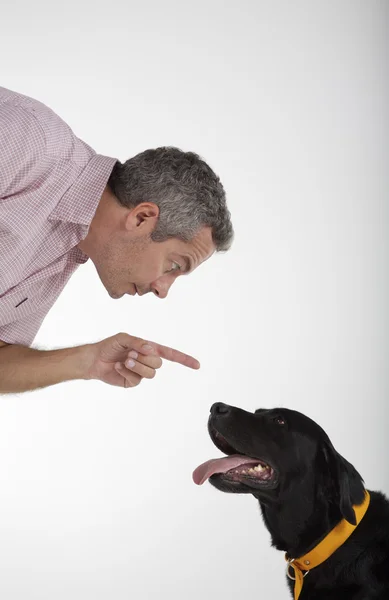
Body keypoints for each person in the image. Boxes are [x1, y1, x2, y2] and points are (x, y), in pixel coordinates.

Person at [0, 86, 233, 394]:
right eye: (174, 265)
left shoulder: (69, 249)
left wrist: (87, 361)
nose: (163, 289)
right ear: (141, 218)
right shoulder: (30, 142)